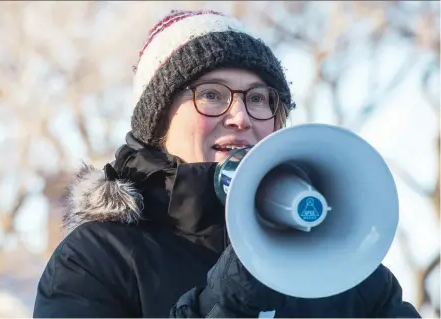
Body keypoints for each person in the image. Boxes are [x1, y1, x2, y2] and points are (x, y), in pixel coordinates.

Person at [33, 9, 421, 318]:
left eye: (258, 98)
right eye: (213, 95)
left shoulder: (344, 268)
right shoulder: (96, 259)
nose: (242, 116)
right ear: (158, 122)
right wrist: (224, 305)